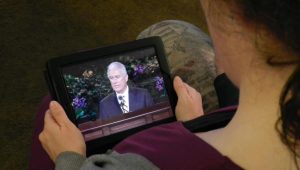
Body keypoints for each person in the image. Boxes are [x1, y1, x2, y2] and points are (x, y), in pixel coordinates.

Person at [37, 0, 300, 169]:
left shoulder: (146, 160)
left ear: (236, 21)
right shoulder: (107, 104)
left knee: (49, 109)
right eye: (110, 78)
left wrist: (70, 159)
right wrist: (192, 127)